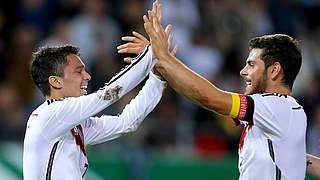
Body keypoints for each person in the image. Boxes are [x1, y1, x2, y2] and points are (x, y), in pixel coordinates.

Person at [126, 1, 306, 179]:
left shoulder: (274, 107)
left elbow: (210, 98)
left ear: (274, 70)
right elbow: (201, 97)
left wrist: (164, 59)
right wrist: (163, 64)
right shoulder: (283, 113)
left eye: (251, 65)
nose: (243, 71)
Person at [23, 43, 169, 179]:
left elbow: (126, 123)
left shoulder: (69, 123)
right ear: (56, 81)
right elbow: (109, 93)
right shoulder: (51, 114)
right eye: (79, 71)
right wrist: (152, 52)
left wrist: (157, 77)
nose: (87, 76)